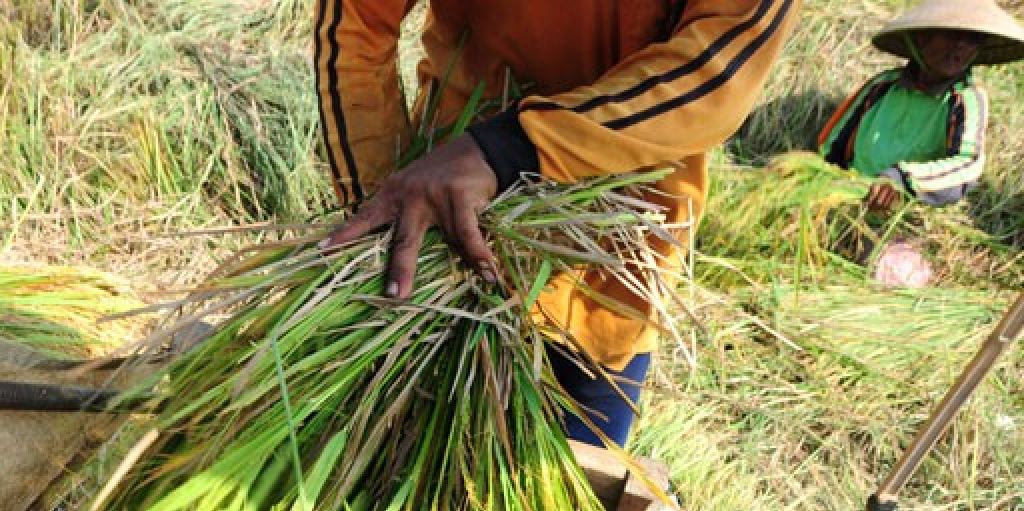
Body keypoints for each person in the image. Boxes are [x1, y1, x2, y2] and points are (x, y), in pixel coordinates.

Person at [313, 0, 800, 448]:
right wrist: (385, 197)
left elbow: (718, 72)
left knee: (559, 501)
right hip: (441, 246)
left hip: (608, 269)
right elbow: (357, 23)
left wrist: (512, 149)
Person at [819, 0, 1024, 212]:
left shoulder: (965, 99)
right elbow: (834, 145)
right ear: (922, 37)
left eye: (973, 39)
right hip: (850, 196)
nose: (962, 46)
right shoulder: (882, 86)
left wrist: (901, 179)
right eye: (953, 34)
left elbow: (967, 164)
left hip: (905, 214)